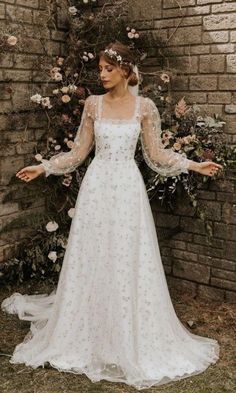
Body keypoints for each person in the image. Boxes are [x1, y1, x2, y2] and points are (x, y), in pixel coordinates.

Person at [1, 41, 222, 390]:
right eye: (100, 69)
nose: (101, 74)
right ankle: (86, 324)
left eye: (108, 69)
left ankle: (129, 326)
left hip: (128, 191)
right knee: (93, 254)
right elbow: (77, 154)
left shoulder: (144, 107)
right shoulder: (93, 105)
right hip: (97, 188)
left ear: (125, 70)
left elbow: (157, 154)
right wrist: (44, 167)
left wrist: (193, 164)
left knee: (127, 255)